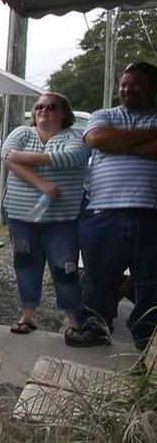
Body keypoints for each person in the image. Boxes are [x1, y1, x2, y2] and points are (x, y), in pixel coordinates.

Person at [68, 62, 157, 349]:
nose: (127, 89)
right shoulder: (103, 115)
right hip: (104, 212)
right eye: (124, 84)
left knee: (151, 280)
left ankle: (148, 337)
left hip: (151, 213)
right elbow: (97, 138)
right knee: (99, 274)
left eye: (135, 84)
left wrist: (116, 142)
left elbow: (107, 141)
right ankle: (96, 325)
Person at [0, 93, 89, 336]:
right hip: (21, 217)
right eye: (39, 107)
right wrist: (43, 183)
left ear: (64, 113)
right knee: (25, 265)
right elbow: (7, 156)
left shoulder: (75, 137)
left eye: (51, 107)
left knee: (65, 267)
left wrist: (26, 158)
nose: (43, 111)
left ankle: (73, 319)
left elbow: (72, 158)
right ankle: (27, 315)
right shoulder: (22, 133)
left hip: (62, 220)